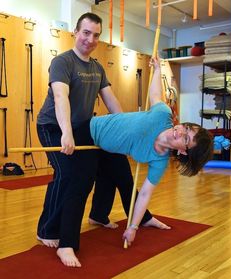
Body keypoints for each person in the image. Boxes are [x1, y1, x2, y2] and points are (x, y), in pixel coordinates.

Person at [36, 12, 166, 268]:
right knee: (68, 175)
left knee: (116, 167)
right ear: (76, 32)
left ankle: (105, 215)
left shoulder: (96, 68)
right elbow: (61, 98)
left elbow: (111, 100)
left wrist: (129, 128)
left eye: (96, 35)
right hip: (54, 126)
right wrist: (66, 133)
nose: (90, 39)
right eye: (86, 33)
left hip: (85, 129)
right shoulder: (62, 62)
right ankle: (47, 230)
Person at [88, 56, 213, 246]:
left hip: (108, 149)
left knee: (119, 177)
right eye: (185, 127)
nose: (179, 131)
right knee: (79, 183)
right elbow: (156, 94)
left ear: (184, 152)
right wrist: (156, 70)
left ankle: (100, 216)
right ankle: (52, 230)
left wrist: (133, 228)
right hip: (89, 131)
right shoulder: (162, 114)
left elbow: (146, 194)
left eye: (185, 138)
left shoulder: (159, 161)